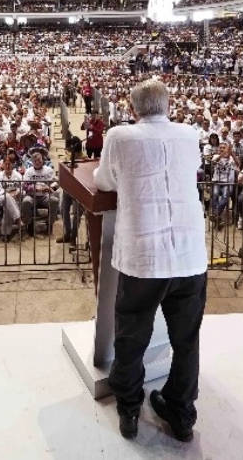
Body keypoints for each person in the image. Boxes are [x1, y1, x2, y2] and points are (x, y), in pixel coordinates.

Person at [93, 78, 207, 442]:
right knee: (186, 340)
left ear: (132, 109)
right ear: (168, 105)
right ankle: (181, 414)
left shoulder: (120, 136)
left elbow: (104, 181)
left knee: (132, 336)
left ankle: (129, 410)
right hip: (190, 255)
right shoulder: (190, 134)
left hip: (145, 258)